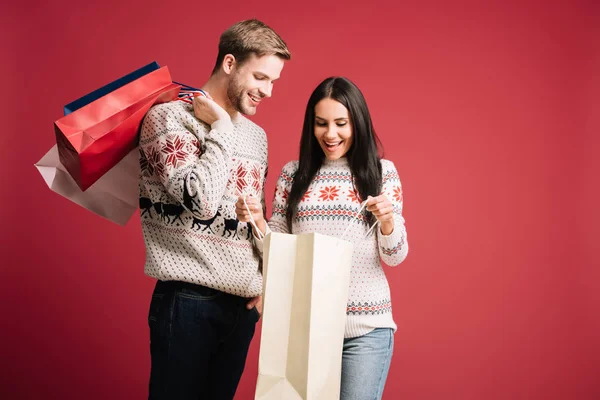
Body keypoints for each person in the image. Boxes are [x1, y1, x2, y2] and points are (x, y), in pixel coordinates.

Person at [138, 19, 291, 400]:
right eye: (260, 77)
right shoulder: (167, 118)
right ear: (228, 63)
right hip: (188, 300)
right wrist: (222, 127)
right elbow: (200, 201)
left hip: (241, 309)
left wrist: (268, 280)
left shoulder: (258, 138)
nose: (268, 91)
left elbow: (257, 220)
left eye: (274, 81)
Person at [236, 76, 408, 400]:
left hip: (366, 330)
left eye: (341, 123)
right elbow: (279, 251)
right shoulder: (293, 174)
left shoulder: (383, 173)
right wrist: (259, 222)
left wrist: (388, 222)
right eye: (321, 123)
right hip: (305, 329)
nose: (330, 134)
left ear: (357, 123)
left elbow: (396, 255)